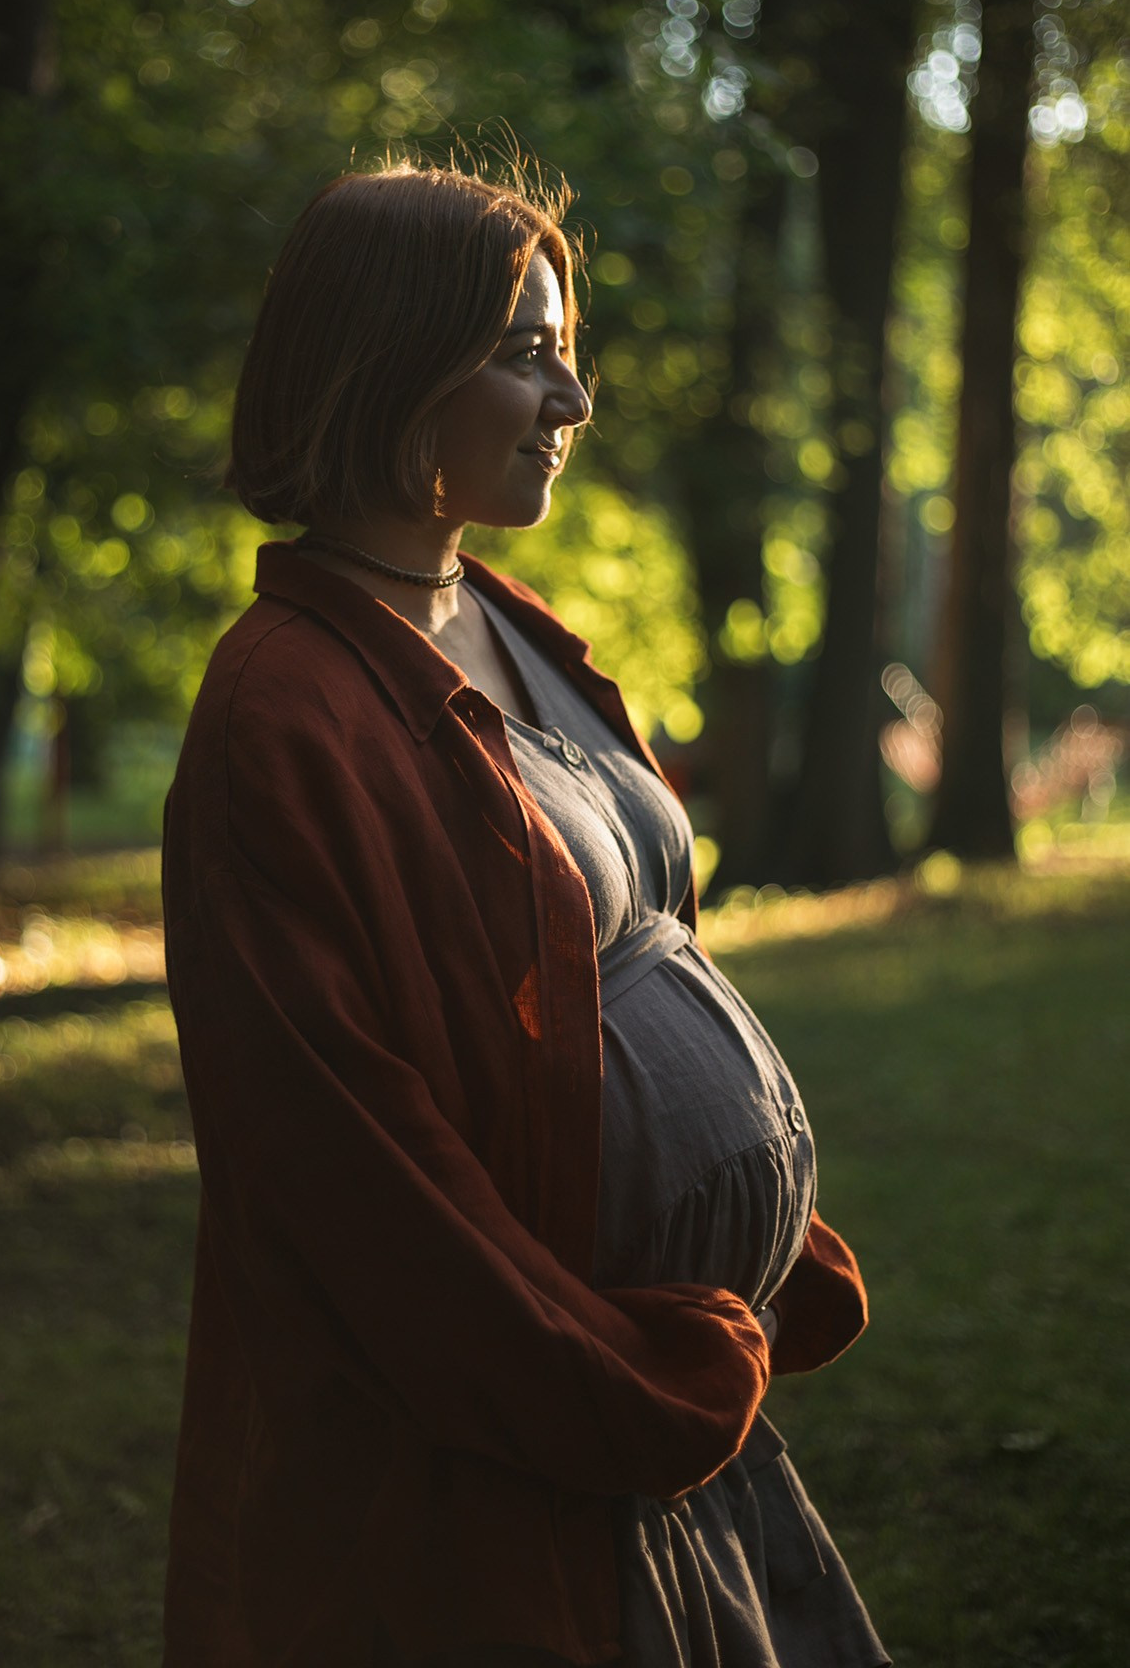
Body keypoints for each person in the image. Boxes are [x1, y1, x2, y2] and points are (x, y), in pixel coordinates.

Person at [160, 161, 889, 1668]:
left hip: (678, 1420)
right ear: (388, 358)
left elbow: (636, 959)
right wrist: (610, 1385)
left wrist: (763, 1244)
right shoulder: (281, 712)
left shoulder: (501, 618)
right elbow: (353, 1171)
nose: (571, 402)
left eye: (566, 354)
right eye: (525, 353)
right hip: (527, 1457)